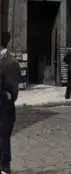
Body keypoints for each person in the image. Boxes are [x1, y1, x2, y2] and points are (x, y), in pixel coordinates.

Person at [0, 32, 20, 174]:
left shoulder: (10, 62)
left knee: (3, 139)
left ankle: (5, 167)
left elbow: (12, 93)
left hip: (4, 109)